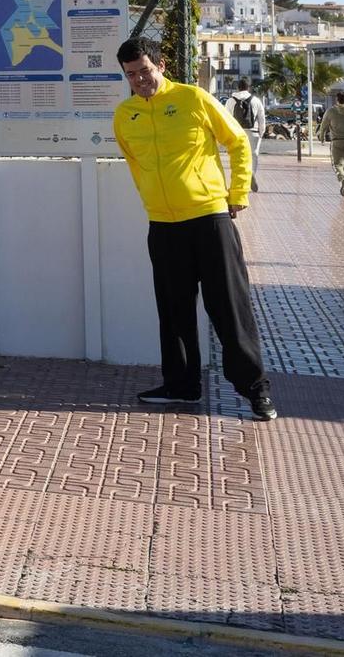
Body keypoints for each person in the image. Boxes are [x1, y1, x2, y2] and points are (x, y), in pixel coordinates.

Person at [112, 38, 275, 421]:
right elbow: (136, 166)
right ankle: (182, 385)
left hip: (209, 218)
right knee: (173, 311)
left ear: (161, 66)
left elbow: (237, 142)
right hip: (163, 226)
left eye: (145, 71)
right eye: (131, 75)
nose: (140, 80)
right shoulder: (124, 115)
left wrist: (237, 194)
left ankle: (256, 390)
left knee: (229, 308)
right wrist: (152, 204)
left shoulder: (193, 99)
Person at [226, 83, 265, 194]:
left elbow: (226, 117)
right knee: (253, 155)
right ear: (248, 88)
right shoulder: (256, 100)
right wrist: (261, 133)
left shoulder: (230, 101)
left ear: (238, 88)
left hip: (236, 132)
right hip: (253, 132)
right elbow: (261, 118)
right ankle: (251, 173)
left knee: (237, 156)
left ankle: (239, 182)